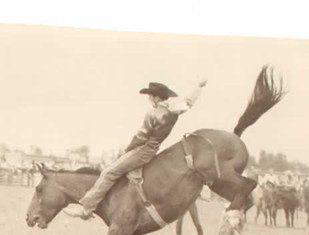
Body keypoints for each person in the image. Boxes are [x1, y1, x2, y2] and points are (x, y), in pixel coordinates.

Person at [67, 78, 207, 220]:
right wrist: (198, 87)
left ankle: (86, 208)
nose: (149, 99)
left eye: (150, 97)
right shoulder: (174, 111)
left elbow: (140, 137)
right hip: (154, 149)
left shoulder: (153, 114)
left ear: (157, 98)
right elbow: (189, 101)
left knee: (109, 172)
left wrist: (127, 151)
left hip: (143, 150)